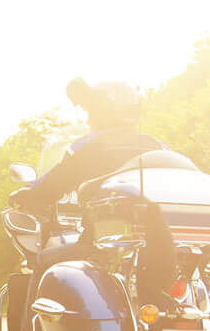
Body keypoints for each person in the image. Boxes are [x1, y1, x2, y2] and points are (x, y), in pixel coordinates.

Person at [17, 79, 178, 295]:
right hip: (162, 247)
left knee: (44, 261)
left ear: (101, 112)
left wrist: (27, 195)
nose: (88, 117)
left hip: (102, 243)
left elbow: (52, 185)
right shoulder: (157, 146)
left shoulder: (89, 147)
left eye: (90, 110)